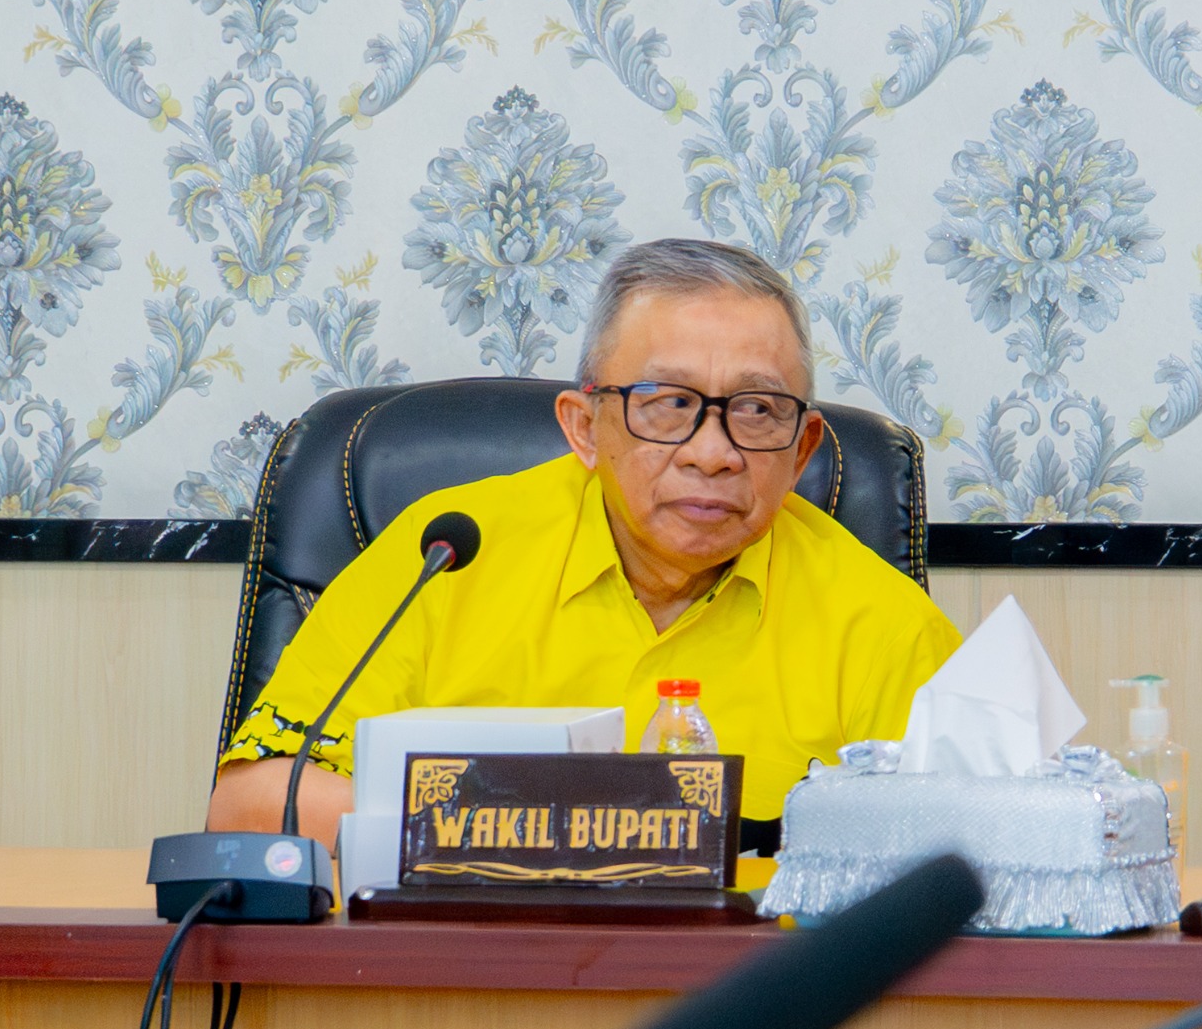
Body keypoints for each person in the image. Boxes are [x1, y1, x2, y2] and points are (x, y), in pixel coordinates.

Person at [208, 238, 961, 841]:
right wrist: (537, 837)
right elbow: (253, 803)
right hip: (470, 974)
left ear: (802, 450)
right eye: (667, 404)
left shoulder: (884, 625)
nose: (713, 452)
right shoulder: (445, 555)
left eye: (758, 410)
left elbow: (960, 858)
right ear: (584, 428)